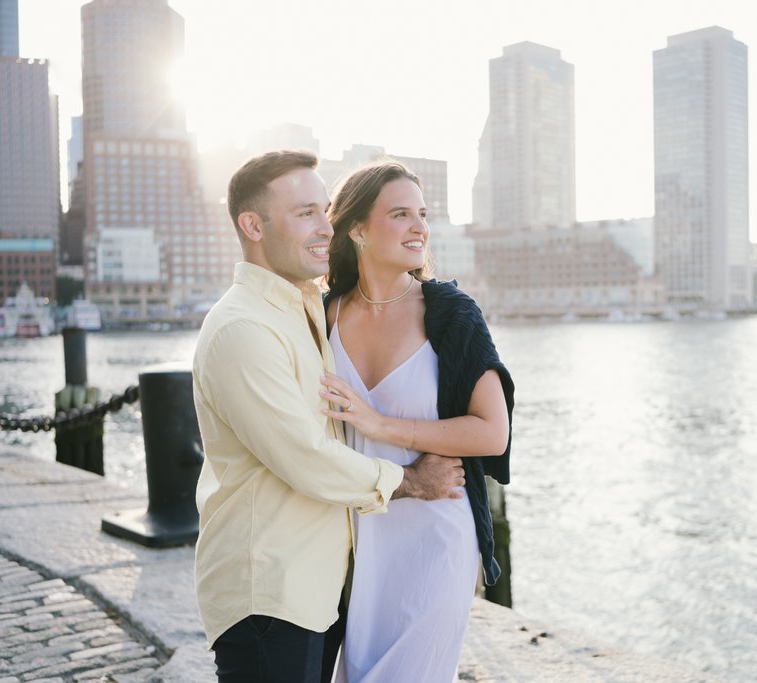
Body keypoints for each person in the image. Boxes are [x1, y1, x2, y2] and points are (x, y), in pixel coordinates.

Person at [191, 150, 467, 683]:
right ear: (252, 225)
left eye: (324, 210)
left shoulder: (308, 307)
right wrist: (410, 480)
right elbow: (306, 458)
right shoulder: (243, 329)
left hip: (319, 587)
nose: (325, 228)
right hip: (269, 594)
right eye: (304, 214)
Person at [318, 160, 514, 682]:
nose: (419, 227)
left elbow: (492, 431)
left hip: (437, 538)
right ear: (357, 229)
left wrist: (381, 425)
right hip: (358, 544)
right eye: (400, 213)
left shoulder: (449, 312)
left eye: (422, 215)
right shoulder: (322, 317)